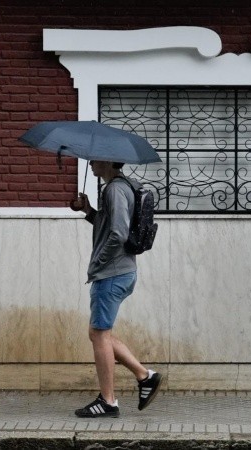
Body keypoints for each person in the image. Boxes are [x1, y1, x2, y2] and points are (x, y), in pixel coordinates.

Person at [73, 160, 162, 418]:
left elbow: (119, 234)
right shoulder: (121, 186)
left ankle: (108, 401)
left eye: (95, 159)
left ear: (107, 161)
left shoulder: (114, 189)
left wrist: (99, 262)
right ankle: (145, 376)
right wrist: (88, 211)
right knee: (98, 333)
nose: (91, 163)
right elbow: (109, 226)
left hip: (112, 273)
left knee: (99, 334)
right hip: (121, 271)